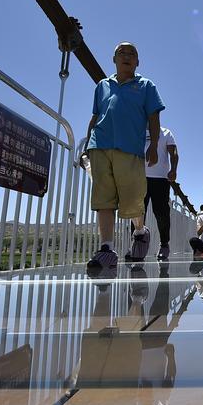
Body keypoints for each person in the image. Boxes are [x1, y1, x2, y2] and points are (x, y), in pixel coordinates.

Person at [83, 42, 165, 270]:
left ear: (137, 62)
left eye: (132, 54)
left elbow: (154, 118)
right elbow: (95, 116)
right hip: (99, 145)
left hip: (130, 149)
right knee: (104, 198)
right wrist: (86, 145)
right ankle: (106, 249)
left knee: (133, 199)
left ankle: (140, 231)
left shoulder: (146, 85)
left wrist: (154, 145)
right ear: (114, 59)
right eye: (122, 53)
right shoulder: (102, 85)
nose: (127, 56)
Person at [128, 126, 178, 262]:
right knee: (136, 212)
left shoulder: (166, 132)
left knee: (161, 213)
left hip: (160, 178)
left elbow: (173, 153)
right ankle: (136, 244)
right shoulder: (137, 130)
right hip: (139, 177)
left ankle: (164, 244)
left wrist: (173, 169)